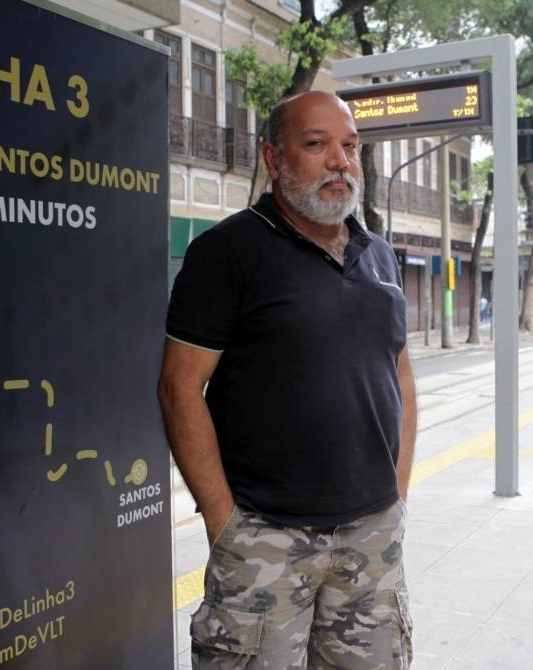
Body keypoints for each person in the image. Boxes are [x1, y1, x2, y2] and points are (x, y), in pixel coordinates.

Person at [157, 90, 417, 669]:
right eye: (316, 144)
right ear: (275, 160)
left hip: (371, 539)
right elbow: (179, 389)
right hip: (264, 539)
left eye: (349, 146)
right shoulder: (226, 252)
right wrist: (225, 523)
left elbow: (398, 370)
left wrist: (397, 492)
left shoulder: (378, 255)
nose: (339, 161)